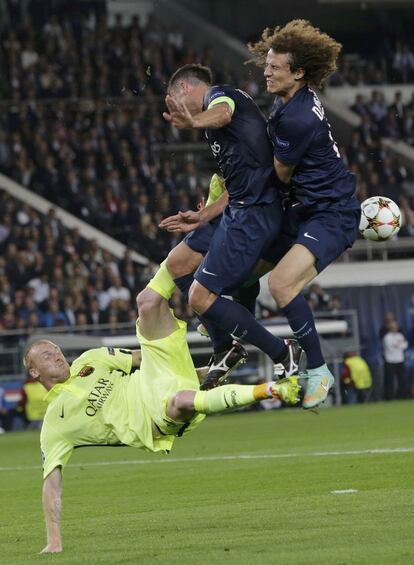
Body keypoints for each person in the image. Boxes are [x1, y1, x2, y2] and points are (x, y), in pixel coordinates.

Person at [23, 281, 300, 554]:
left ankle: (196, 265)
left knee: (148, 302)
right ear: (35, 372)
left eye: (56, 349)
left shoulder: (91, 359)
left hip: (155, 379)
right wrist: (54, 539)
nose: (56, 355)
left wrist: (198, 369)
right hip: (154, 417)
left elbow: (146, 358)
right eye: (47, 355)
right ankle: (272, 389)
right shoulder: (54, 424)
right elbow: (52, 483)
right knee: (181, 400)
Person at [160, 64, 307, 398]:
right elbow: (234, 183)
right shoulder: (215, 132)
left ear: (184, 89)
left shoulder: (221, 97)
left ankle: (283, 351)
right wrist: (203, 216)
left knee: (200, 295)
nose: (170, 109)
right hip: (240, 210)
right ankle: (225, 346)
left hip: (254, 214)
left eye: (170, 99)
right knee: (179, 266)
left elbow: (223, 113)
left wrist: (195, 120)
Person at [247, 19, 361, 406]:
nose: (266, 70)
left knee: (280, 285)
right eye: (267, 64)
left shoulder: (297, 118)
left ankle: (317, 367)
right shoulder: (289, 101)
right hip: (305, 210)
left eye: (275, 67)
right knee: (244, 270)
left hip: (331, 214)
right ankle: (233, 338)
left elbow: (279, 173)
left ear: (298, 73)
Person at [382, 320, 408, 400]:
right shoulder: (387, 337)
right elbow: (390, 348)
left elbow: (405, 345)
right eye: (393, 327)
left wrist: (398, 345)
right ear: (390, 328)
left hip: (400, 360)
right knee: (390, 381)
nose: (395, 328)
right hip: (390, 361)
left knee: (402, 380)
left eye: (396, 327)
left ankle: (403, 396)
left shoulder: (400, 335)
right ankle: (390, 398)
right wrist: (398, 345)